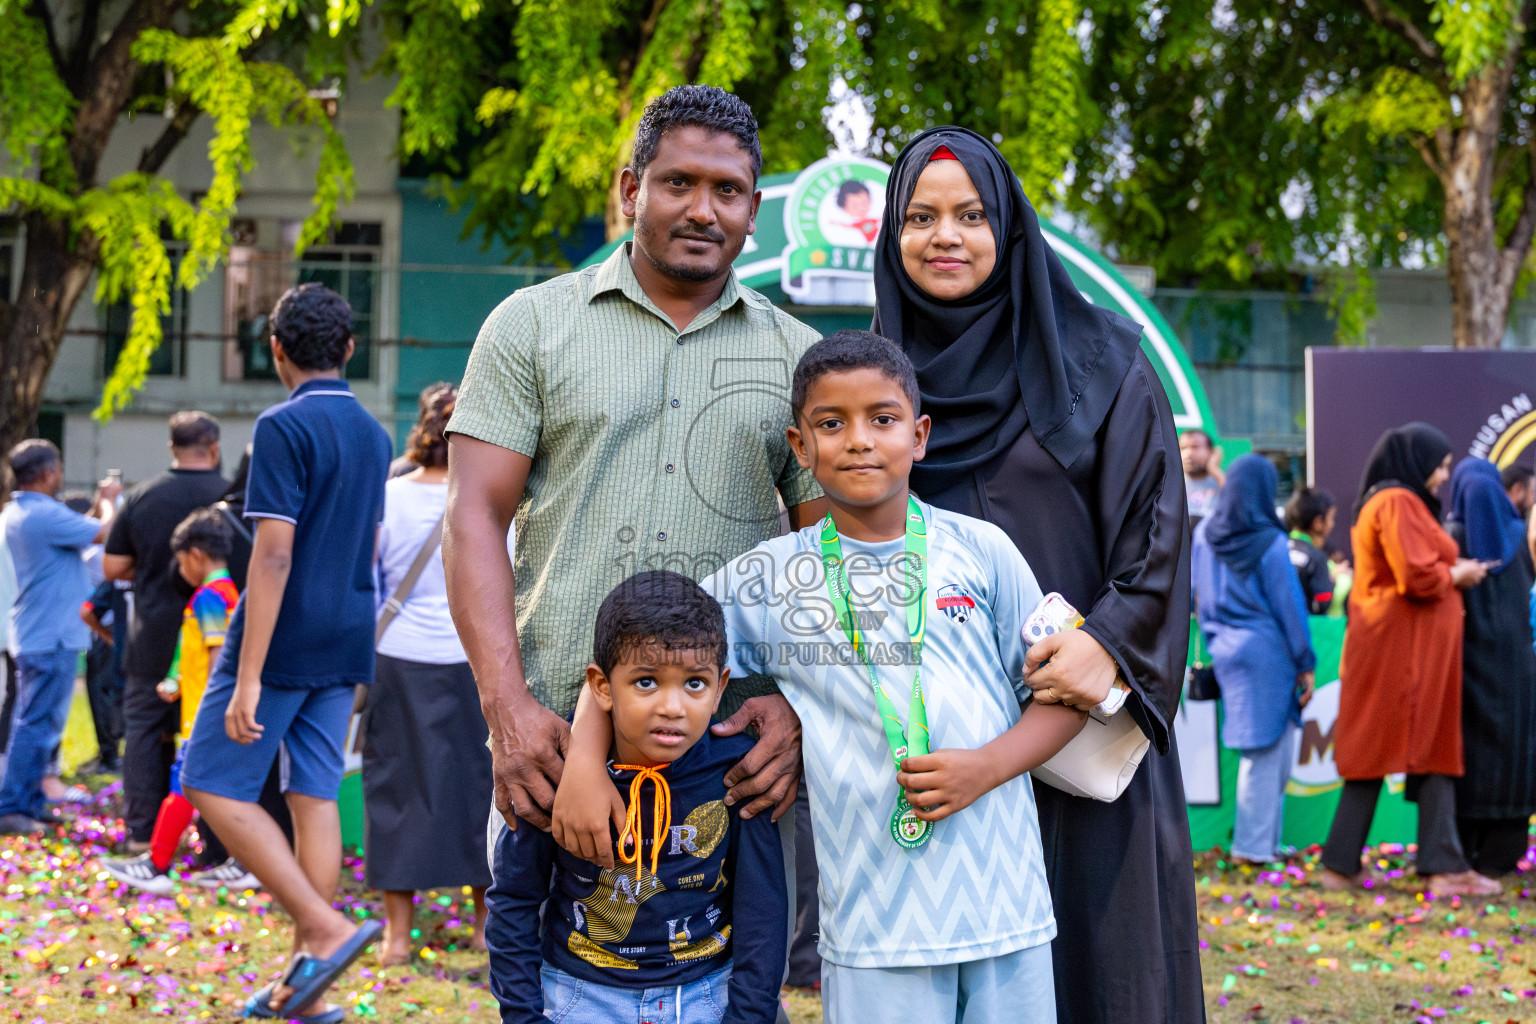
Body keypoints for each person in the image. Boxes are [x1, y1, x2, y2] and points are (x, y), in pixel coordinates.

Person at [445, 86, 824, 891]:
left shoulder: (800, 358)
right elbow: (472, 516)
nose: (703, 210)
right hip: (552, 739)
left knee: (736, 970)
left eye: (727, 191)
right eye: (678, 182)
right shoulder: (531, 326)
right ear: (630, 190)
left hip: (730, 755)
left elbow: (832, 556)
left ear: (753, 210)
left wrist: (799, 707)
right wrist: (507, 710)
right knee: (540, 963)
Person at [867, 126, 1202, 1022]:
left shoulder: (1104, 365)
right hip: (940, 751)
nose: (946, 236)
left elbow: (1158, 532)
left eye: (972, 215)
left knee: (1101, 973)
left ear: (1009, 228)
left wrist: (1111, 646)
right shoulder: (873, 387)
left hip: (1080, 731)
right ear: (892, 237)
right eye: (920, 217)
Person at [678, 332, 1077, 1022]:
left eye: (883, 419)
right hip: (873, 926)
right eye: (832, 424)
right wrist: (590, 752)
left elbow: (1063, 695)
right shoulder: (770, 576)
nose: (859, 440)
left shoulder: (982, 550)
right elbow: (651, 648)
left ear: (918, 436)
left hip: (1006, 909)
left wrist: (986, 767)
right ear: (801, 448)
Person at [181, 283, 391, 1020]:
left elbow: (272, 556)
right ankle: (303, 985)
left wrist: (247, 677)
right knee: (313, 796)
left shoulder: (280, 425)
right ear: (350, 348)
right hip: (348, 631)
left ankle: (323, 929)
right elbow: (368, 547)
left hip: (282, 636)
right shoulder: (375, 434)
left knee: (208, 780)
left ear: (275, 350)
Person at [488, 570, 787, 1023]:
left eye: (695, 683)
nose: (672, 707)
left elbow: (763, 910)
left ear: (720, 688)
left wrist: (747, 1017)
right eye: (646, 681)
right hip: (578, 998)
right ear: (602, 686)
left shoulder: (739, 772)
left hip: (705, 998)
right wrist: (522, 1016)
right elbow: (514, 899)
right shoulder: (558, 772)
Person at [1319, 423, 1497, 897]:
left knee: (1387, 750)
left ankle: (1343, 863)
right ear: (1417, 461)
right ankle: (1441, 867)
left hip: (1402, 651)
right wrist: (1458, 572)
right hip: (1404, 657)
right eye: (1440, 465)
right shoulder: (1397, 501)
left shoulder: (1390, 501)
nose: (1444, 476)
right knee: (1419, 746)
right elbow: (1416, 576)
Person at [364, 382, 493, 965]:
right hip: (474, 658)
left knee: (396, 789)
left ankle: (397, 936)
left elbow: (369, 580)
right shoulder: (490, 498)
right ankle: (484, 927)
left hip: (399, 657)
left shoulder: (388, 498)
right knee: (483, 791)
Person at [98, 509, 258, 894]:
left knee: (183, 788)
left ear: (196, 555)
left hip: (203, 716)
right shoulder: (228, 593)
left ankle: (156, 864)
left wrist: (214, 705)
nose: (180, 569)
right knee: (210, 791)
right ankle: (242, 863)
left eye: (181, 560)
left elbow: (218, 653)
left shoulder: (209, 597)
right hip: (205, 710)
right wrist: (178, 680)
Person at [103, 411, 229, 851]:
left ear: (171, 448)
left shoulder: (143, 496)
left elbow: (112, 567)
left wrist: (151, 570)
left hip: (154, 636)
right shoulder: (229, 497)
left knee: (144, 733)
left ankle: (143, 832)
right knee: (213, 737)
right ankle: (217, 840)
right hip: (217, 641)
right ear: (214, 447)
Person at [1193, 455, 1316, 865]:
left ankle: (1264, 843)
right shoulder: (1270, 542)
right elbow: (1289, 606)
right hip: (1268, 652)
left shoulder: (1204, 534)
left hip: (1225, 648)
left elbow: (1195, 593)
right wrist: (1305, 661)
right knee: (1267, 752)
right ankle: (1253, 848)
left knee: (1262, 748)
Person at [0, 440, 120, 834]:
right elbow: (105, 532)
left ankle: (30, 802)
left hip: (42, 632)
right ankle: (12, 806)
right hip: (50, 636)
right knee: (36, 725)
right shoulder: (43, 513)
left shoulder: (23, 511)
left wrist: (96, 507)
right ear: (47, 472)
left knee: (40, 724)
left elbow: (80, 530)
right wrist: (109, 501)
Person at [1446, 458, 1536, 876]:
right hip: (1517, 666)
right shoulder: (1518, 535)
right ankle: (1505, 851)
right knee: (1514, 753)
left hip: (1468, 663)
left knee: (1471, 756)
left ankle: (1468, 851)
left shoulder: (1454, 537)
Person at [80, 576, 129, 773]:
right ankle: (116, 757)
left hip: (112, 641)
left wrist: (107, 636)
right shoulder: (148, 574)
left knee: (104, 696)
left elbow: (86, 612)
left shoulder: (116, 578)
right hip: (139, 644)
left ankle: (110, 758)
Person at [1284, 487, 1336, 615]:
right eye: (1331, 518)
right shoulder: (1316, 557)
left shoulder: (1278, 548)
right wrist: (1333, 581)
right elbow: (1323, 602)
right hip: (1304, 623)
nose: (1332, 524)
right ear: (1318, 523)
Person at [1181, 428, 1225, 526]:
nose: (1188, 454)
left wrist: (1215, 471)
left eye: (1195, 447)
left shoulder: (1222, 482)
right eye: (1183, 448)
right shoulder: (1169, 485)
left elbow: (1239, 505)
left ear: (1211, 452)